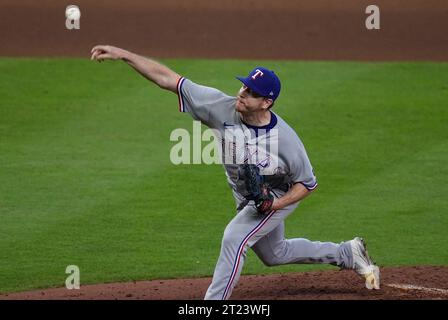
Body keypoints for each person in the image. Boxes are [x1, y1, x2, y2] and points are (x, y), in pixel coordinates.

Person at [90, 45, 380, 300]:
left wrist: (273, 204)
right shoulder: (221, 106)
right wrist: (124, 55)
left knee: (234, 237)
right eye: (243, 87)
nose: (242, 94)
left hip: (279, 193)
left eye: (251, 93)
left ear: (266, 102)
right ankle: (347, 253)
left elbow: (307, 183)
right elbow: (170, 80)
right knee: (274, 253)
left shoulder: (285, 139)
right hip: (249, 195)